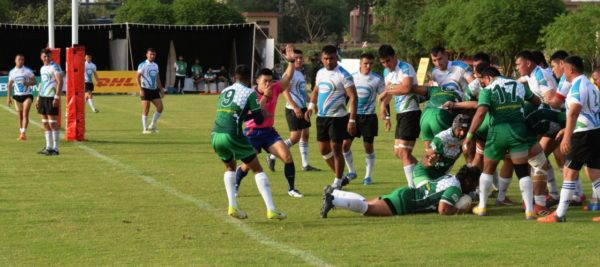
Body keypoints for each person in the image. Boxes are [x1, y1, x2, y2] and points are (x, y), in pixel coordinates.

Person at [464, 65, 541, 219]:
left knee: (488, 169)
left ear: (488, 77)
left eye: (482, 81)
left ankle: (482, 207)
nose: (482, 84)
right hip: (518, 132)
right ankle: (530, 210)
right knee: (522, 171)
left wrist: (469, 135)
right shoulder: (519, 85)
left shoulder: (488, 90)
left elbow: (480, 113)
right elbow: (536, 101)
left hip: (497, 132)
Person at [211, 64, 286, 220]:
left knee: (230, 166)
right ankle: (271, 209)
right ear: (250, 78)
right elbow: (258, 119)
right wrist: (262, 110)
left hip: (216, 134)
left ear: (234, 77)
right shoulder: (249, 93)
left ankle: (233, 206)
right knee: (257, 169)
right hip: (232, 133)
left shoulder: (225, 91)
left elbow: (240, 115)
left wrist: (252, 115)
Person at [234, 45, 305, 198]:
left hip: (269, 132)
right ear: (257, 81)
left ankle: (291, 189)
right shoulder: (249, 94)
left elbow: (287, 78)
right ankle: (235, 184)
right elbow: (251, 114)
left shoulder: (274, 88)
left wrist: (291, 62)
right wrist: (265, 99)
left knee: (287, 157)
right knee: (247, 165)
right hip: (253, 133)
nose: (268, 84)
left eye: (270, 81)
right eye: (265, 81)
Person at [538, 56, 600, 223]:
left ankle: (559, 214)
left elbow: (574, 111)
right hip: (594, 131)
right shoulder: (590, 85)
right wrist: (567, 129)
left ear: (571, 69)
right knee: (594, 172)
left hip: (582, 134)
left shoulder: (577, 86)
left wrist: (567, 137)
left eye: (564, 68)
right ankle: (560, 213)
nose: (562, 71)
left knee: (569, 171)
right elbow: (588, 111)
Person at [320, 165, 480, 218]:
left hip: (407, 194)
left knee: (366, 203)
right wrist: (461, 210)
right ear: (467, 180)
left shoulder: (451, 178)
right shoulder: (455, 189)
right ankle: (333, 200)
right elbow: (443, 209)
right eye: (474, 183)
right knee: (368, 209)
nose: (474, 187)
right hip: (405, 202)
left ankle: (335, 194)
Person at [305, 45, 357, 189]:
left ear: (336, 58)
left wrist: (352, 119)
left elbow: (353, 97)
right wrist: (310, 106)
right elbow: (315, 91)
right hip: (322, 117)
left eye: (332, 58)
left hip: (338, 118)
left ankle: (337, 181)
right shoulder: (320, 73)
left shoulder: (344, 75)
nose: (329, 61)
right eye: (326, 59)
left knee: (336, 149)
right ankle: (340, 177)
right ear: (322, 59)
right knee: (323, 150)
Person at [267, 48, 321, 172]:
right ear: (291, 59)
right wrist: (295, 107)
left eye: (300, 58)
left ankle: (305, 164)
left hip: (302, 108)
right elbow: (285, 91)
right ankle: (272, 156)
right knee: (295, 138)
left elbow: (302, 92)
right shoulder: (289, 73)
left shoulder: (300, 73)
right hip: (293, 109)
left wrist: (312, 104)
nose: (299, 60)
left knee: (305, 135)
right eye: (296, 58)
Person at [377, 45, 420, 188]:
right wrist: (384, 107)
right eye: (383, 62)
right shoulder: (386, 72)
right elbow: (391, 93)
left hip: (411, 112)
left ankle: (412, 188)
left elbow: (406, 88)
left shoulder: (405, 68)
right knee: (398, 152)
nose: (386, 65)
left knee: (404, 152)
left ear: (394, 56)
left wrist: (388, 90)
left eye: (388, 61)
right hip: (401, 114)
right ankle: (424, 172)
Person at [342, 53, 385, 185]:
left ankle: (368, 177)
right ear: (360, 63)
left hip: (369, 118)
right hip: (352, 116)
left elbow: (384, 97)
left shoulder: (377, 79)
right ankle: (352, 171)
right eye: (365, 63)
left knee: (368, 147)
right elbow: (346, 96)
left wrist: (386, 114)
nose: (368, 66)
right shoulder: (352, 77)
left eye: (371, 64)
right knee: (344, 145)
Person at [36, 48, 63, 156]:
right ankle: (48, 147)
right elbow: (42, 83)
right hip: (43, 97)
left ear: (51, 56)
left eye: (48, 56)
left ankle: (55, 149)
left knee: (53, 123)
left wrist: (56, 97)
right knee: (45, 123)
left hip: (51, 97)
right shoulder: (42, 68)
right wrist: (38, 98)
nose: (46, 58)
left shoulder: (55, 66)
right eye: (44, 56)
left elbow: (60, 81)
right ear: (41, 57)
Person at [6, 54, 36, 141]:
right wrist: (8, 98)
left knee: (25, 114)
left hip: (27, 95)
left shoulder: (27, 71)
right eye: (19, 59)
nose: (21, 61)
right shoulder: (12, 72)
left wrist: (27, 83)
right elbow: (9, 85)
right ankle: (21, 133)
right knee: (20, 116)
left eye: (22, 59)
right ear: (15, 60)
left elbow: (34, 82)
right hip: (17, 96)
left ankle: (23, 133)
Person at [137, 48, 165, 134]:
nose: (152, 56)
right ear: (147, 55)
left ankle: (152, 125)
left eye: (154, 54)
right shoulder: (143, 65)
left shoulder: (155, 65)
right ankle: (145, 129)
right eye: (151, 54)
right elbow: (137, 77)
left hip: (154, 90)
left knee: (160, 107)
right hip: (145, 89)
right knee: (146, 109)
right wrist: (141, 89)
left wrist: (161, 89)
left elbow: (157, 78)